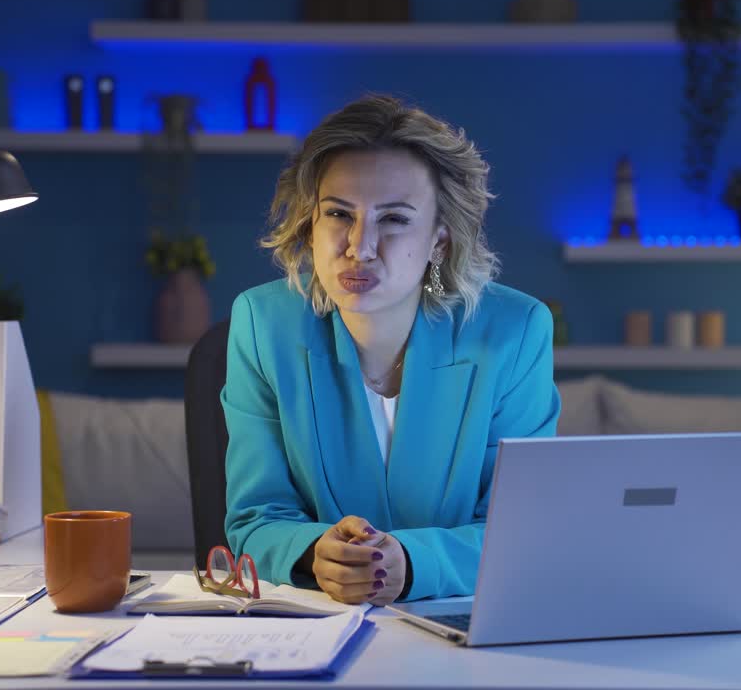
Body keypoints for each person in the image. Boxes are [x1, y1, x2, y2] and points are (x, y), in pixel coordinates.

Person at [222, 94, 559, 605]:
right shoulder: (263, 323)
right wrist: (314, 551)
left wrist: (413, 562)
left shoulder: (514, 332)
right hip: (316, 625)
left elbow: (522, 531)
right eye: (338, 213)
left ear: (439, 242)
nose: (360, 246)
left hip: (460, 627)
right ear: (310, 226)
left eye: (395, 219)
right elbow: (254, 519)